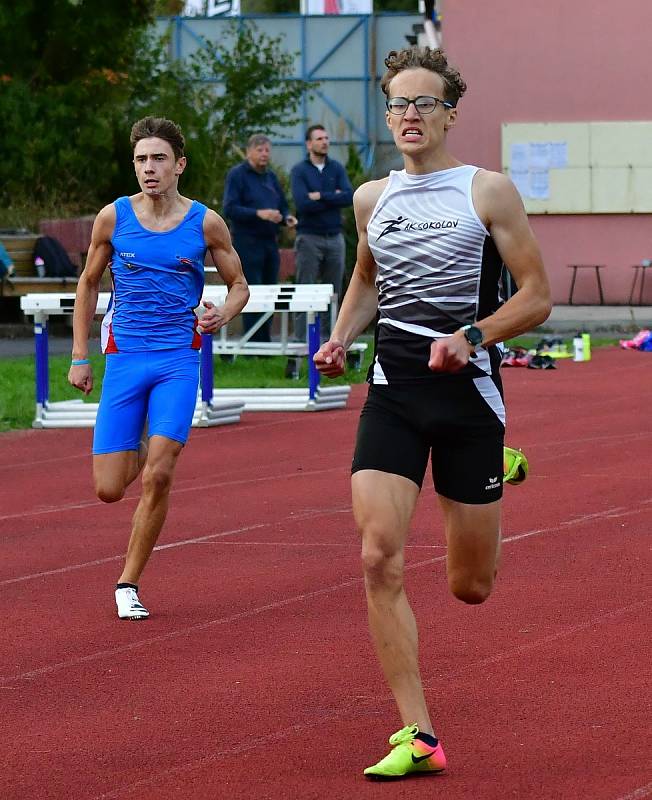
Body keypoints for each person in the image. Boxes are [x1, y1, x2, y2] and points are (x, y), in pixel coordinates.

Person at [314, 47, 551, 778]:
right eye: (398, 104)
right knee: (378, 555)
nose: (410, 114)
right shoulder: (370, 198)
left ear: (450, 112)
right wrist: (342, 336)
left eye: (425, 103)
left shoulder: (488, 192)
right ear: (387, 115)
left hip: (468, 397)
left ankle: (494, 469)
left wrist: (473, 335)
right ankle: (418, 735)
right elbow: (364, 278)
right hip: (393, 392)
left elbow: (539, 297)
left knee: (469, 586)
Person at [68, 116, 249, 621]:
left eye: (159, 159)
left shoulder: (205, 222)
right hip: (124, 357)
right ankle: (146, 443)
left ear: (179, 165)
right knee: (108, 489)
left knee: (160, 476)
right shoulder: (113, 218)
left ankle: (128, 582)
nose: (149, 168)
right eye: (142, 160)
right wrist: (80, 356)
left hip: (177, 358)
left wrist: (222, 313)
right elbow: (87, 284)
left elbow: (240, 285)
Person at [223, 134, 296, 343]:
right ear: (249, 152)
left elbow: (281, 204)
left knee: (270, 291)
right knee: (251, 292)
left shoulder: (270, 177)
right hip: (247, 243)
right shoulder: (237, 175)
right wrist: (258, 213)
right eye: (259, 150)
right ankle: (253, 342)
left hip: (269, 243)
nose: (264, 154)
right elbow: (230, 208)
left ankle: (266, 341)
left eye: (267, 150)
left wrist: (286, 218)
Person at [290, 124, 353, 343]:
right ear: (309, 144)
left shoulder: (336, 168)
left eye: (326, 138)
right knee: (304, 289)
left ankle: (330, 340)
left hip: (335, 237)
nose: (325, 142)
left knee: (333, 291)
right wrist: (331, 197)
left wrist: (320, 196)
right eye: (319, 138)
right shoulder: (299, 171)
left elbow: (347, 197)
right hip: (309, 237)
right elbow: (302, 203)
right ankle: (301, 341)